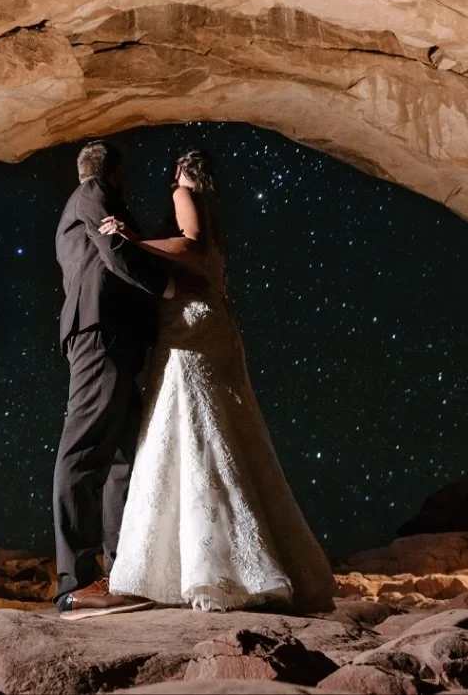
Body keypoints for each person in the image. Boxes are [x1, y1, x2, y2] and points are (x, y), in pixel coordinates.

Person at [102, 147, 335, 613]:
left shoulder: (183, 193)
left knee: (192, 427)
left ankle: (213, 569)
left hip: (191, 329)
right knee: (211, 427)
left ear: (183, 170)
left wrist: (134, 241)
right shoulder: (211, 206)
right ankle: (219, 560)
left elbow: (191, 246)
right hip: (209, 324)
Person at [52, 139, 185, 618]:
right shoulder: (92, 194)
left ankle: (118, 573)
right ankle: (75, 584)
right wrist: (165, 287)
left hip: (113, 333)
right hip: (98, 330)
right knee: (84, 452)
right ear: (115, 174)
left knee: (124, 457)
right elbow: (112, 252)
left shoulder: (85, 199)